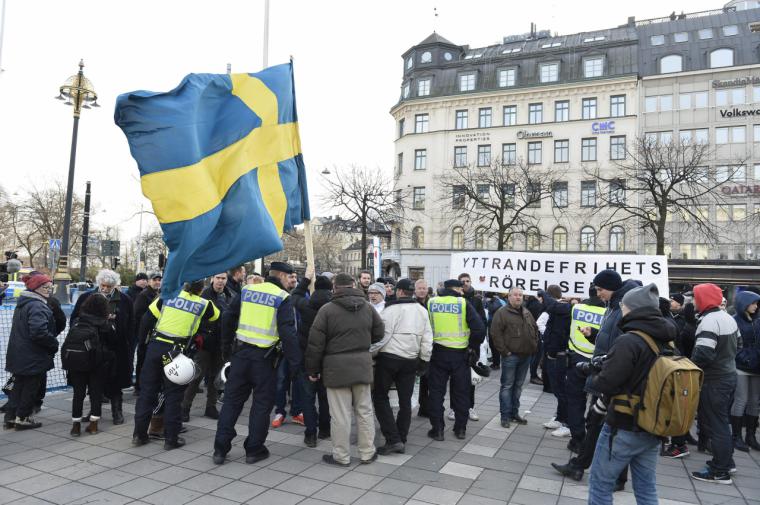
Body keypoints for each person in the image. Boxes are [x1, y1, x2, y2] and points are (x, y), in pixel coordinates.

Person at [587, 283, 677, 505]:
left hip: (624, 423)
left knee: (600, 484)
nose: (622, 309)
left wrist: (595, 376)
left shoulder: (630, 340)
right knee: (646, 487)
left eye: (623, 305)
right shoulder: (666, 339)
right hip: (652, 424)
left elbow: (609, 382)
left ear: (633, 309)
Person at [551, 271, 639, 487]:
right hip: (607, 375)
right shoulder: (614, 306)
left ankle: (613, 477)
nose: (597, 293)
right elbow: (611, 338)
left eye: (600, 289)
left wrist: (599, 368)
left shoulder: (622, 308)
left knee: (607, 427)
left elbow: (621, 345)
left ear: (612, 288)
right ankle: (580, 466)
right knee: (597, 424)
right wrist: (593, 334)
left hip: (612, 379)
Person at [213, 262, 301, 464]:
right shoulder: (282, 298)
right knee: (261, 406)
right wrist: (296, 366)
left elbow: (228, 317)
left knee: (231, 403)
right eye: (289, 277)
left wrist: (226, 349)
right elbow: (288, 333)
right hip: (264, 360)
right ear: (280, 276)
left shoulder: (247, 291)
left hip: (240, 355)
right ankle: (254, 450)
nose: (291, 281)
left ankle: (220, 449)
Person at [306, 273, 384, 466]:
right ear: (353, 285)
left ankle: (341, 456)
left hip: (335, 369)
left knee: (340, 415)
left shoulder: (326, 310)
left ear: (335, 287)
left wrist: (313, 369)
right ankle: (367, 452)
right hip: (362, 366)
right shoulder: (367, 307)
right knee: (364, 411)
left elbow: (315, 344)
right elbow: (379, 332)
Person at [133, 279, 219, 450]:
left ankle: (139, 435)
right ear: (202, 289)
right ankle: (171, 439)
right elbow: (216, 317)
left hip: (156, 348)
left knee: (147, 393)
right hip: (174, 353)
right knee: (173, 395)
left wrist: (143, 345)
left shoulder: (167, 297)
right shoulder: (204, 304)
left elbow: (146, 320)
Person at [371, 278, 433, 454]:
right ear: (412, 292)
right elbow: (428, 338)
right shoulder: (421, 311)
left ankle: (393, 438)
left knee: (380, 397)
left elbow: (381, 337)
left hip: (389, 358)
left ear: (398, 292)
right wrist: (424, 360)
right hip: (410, 360)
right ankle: (401, 438)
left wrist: (370, 353)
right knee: (405, 401)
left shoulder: (390, 310)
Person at [71, 269, 134, 426]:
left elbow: (131, 324)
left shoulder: (124, 300)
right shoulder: (87, 297)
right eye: (103, 285)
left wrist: (127, 342)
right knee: (93, 382)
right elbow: (75, 319)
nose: (105, 289)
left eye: (109, 286)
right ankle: (94, 412)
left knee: (115, 381)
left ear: (115, 286)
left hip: (116, 347)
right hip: (93, 347)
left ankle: (117, 412)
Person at [691, 283, 739, 484]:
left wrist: (689, 365)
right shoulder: (727, 317)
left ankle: (720, 471)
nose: (693, 301)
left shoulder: (709, 321)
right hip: (729, 375)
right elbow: (740, 344)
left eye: (695, 297)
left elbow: (703, 354)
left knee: (716, 424)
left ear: (703, 299)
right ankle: (727, 462)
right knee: (722, 422)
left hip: (714, 380)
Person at [427, 279, 486, 441]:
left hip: (437, 352)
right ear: (454, 289)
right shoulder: (463, 303)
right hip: (460, 355)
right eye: (461, 288)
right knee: (461, 393)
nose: (463, 290)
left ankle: (437, 429)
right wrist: (472, 347)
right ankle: (460, 429)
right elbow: (480, 329)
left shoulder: (431, 302)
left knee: (436, 393)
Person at [3, 273, 57, 430]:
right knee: (30, 388)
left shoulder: (24, 303)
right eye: (45, 287)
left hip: (20, 353)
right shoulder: (37, 305)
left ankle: (11, 417)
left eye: (49, 287)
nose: (49, 290)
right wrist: (52, 343)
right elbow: (38, 331)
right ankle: (23, 418)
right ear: (35, 289)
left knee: (18, 386)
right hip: (32, 355)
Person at [290, 272, 333, 447]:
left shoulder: (306, 305)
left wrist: (306, 280)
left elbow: (295, 295)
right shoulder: (333, 308)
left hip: (306, 359)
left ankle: (310, 434)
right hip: (327, 359)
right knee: (325, 397)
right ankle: (325, 429)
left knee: (307, 398)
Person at [182, 272, 232, 421]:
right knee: (196, 376)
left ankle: (211, 406)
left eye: (223, 279)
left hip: (221, 343)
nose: (220, 281)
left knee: (215, 378)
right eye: (218, 278)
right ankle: (185, 407)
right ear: (212, 279)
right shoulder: (203, 295)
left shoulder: (231, 296)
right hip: (204, 342)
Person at [65, 293, 114, 436]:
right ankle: (93, 425)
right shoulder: (104, 324)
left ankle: (75, 426)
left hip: (77, 362)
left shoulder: (78, 321)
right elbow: (114, 341)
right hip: (97, 363)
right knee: (96, 394)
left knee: (78, 394)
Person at [490, 287, 539, 428]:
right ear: (509, 297)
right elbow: (495, 334)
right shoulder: (502, 313)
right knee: (507, 386)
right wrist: (505, 352)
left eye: (520, 295)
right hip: (511, 356)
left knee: (518, 386)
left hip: (526, 356)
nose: (518, 297)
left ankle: (514, 413)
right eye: (515, 295)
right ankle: (505, 416)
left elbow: (534, 329)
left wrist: (534, 345)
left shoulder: (526, 312)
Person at [538, 286, 573, 437]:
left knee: (561, 390)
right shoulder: (562, 308)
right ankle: (560, 418)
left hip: (559, 354)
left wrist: (548, 340)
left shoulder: (558, 309)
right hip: (557, 352)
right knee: (559, 389)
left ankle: (566, 422)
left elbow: (547, 327)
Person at [731, 290, 760, 452]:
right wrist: (744, 357)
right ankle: (736, 436)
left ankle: (751, 436)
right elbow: (733, 345)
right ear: (744, 303)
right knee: (741, 400)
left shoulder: (758, 321)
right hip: (741, 365)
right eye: (753, 303)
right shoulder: (734, 320)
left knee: (754, 402)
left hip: (756, 367)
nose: (756, 306)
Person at [456, 273, 486, 422]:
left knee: (471, 379)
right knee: (456, 379)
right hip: (457, 345)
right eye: (463, 281)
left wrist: (476, 342)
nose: (466, 283)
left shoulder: (477, 300)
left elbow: (482, 322)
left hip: (472, 346)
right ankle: (455, 408)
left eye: (468, 281)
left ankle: (470, 407)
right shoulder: (455, 300)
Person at [132, 272, 162, 396]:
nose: (157, 282)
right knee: (142, 359)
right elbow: (137, 314)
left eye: (159, 280)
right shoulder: (144, 295)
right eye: (155, 280)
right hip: (145, 333)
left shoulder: (159, 294)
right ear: (150, 281)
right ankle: (138, 386)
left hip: (155, 333)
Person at [486, 293, 507, 370]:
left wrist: (489, 302)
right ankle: (496, 362)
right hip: (498, 324)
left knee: (493, 344)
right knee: (494, 344)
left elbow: (491, 309)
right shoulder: (502, 301)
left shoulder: (493, 302)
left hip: (494, 324)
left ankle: (496, 363)